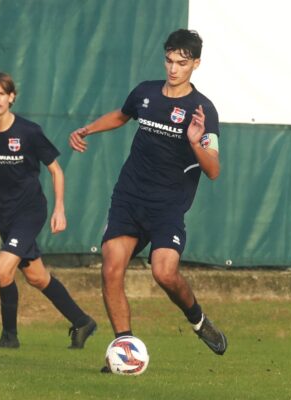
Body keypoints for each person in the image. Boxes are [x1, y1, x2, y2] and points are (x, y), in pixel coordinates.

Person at [68, 29, 227, 369]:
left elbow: (213, 169)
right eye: (169, 60)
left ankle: (198, 320)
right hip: (129, 198)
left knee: (164, 273)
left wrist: (196, 141)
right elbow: (122, 116)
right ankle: (124, 349)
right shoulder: (145, 92)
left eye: (182, 63)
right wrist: (88, 129)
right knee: (111, 269)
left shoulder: (202, 110)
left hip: (167, 206)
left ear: (196, 64)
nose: (173, 68)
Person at [0, 72, 97, 349]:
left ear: (11, 97)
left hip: (30, 210)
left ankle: (9, 338)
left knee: (1, 269)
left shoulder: (29, 131)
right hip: (3, 215)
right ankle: (82, 321)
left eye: (2, 93)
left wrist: (59, 209)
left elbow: (56, 172)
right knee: (36, 276)